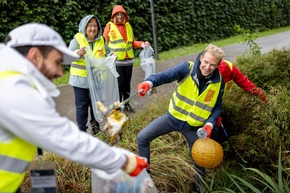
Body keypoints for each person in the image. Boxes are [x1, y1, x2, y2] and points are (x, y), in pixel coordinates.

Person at [0, 23, 148, 193]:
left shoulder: (8, 78)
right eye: (57, 62)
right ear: (35, 56)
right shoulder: (13, 89)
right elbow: (65, 138)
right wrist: (124, 161)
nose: (59, 73)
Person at [136, 44, 225, 192]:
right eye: (206, 62)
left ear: (218, 65)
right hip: (172, 118)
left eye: (212, 65)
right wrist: (149, 82)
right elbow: (166, 75)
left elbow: (217, 106)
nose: (208, 67)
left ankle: (200, 190)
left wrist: (209, 124)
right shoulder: (187, 68)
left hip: (194, 128)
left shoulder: (219, 81)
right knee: (142, 137)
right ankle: (146, 182)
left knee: (200, 159)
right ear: (201, 58)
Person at [195, 52, 267, 142]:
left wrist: (261, 96)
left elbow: (246, 84)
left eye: (212, 65)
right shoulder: (194, 72)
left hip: (213, 107)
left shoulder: (227, 69)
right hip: (201, 110)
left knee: (214, 132)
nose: (207, 68)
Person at [68, 15, 111, 135]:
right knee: (82, 107)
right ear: (85, 27)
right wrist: (78, 53)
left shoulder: (101, 39)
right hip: (81, 81)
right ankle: (81, 131)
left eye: (95, 25)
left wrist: (112, 56)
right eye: (90, 25)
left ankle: (95, 127)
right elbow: (67, 56)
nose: (93, 28)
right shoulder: (77, 39)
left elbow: (108, 53)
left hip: (97, 79)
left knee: (95, 105)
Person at [103, 5, 150, 112]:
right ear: (114, 16)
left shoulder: (128, 26)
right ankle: (118, 106)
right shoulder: (109, 26)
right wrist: (108, 55)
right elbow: (104, 42)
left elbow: (133, 42)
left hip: (129, 61)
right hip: (117, 61)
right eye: (117, 15)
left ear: (124, 16)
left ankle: (127, 104)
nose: (119, 17)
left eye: (121, 14)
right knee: (119, 84)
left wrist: (142, 44)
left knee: (127, 84)